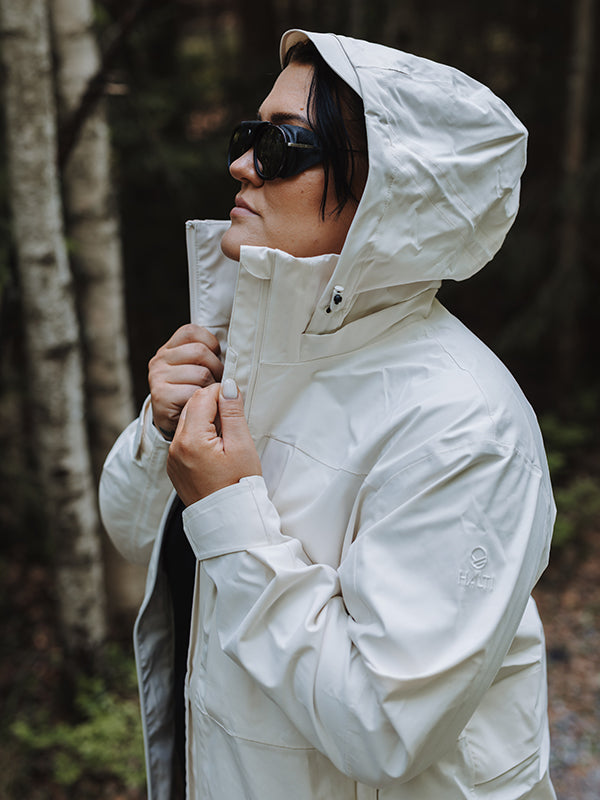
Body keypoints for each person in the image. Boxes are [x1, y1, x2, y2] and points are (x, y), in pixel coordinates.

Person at [99, 29, 557, 800]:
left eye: (281, 145)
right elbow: (132, 537)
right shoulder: (246, 356)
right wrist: (160, 429)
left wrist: (229, 511)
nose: (241, 164)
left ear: (390, 194)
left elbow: (386, 728)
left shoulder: (463, 423)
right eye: (248, 135)